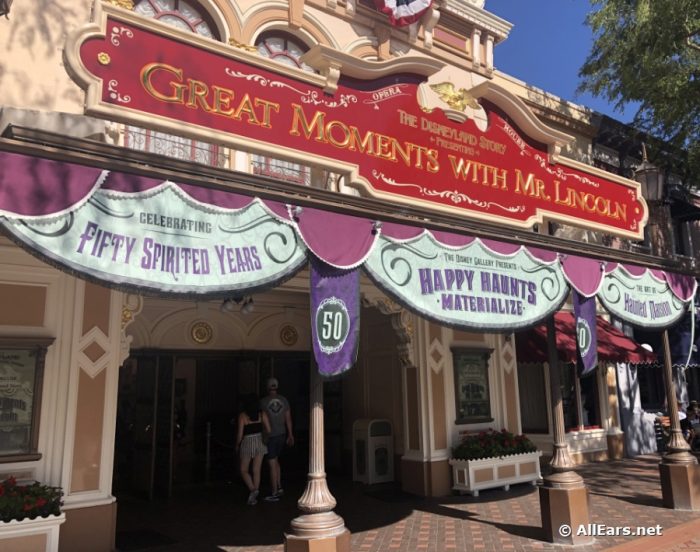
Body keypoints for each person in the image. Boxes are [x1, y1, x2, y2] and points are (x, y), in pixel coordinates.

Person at [260, 377, 294, 502]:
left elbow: (262, 420)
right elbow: (288, 419)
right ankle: (279, 486)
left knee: (272, 463)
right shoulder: (284, 400)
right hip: (282, 434)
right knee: (276, 461)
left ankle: (274, 492)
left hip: (271, 436)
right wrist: (290, 434)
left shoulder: (263, 402)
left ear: (267, 387)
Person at [236, 394, 270, 506]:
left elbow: (240, 434)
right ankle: (255, 493)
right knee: (257, 470)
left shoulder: (243, 416)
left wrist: (237, 444)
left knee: (243, 470)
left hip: (247, 442)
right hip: (260, 442)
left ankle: (253, 490)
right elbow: (269, 429)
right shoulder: (262, 414)